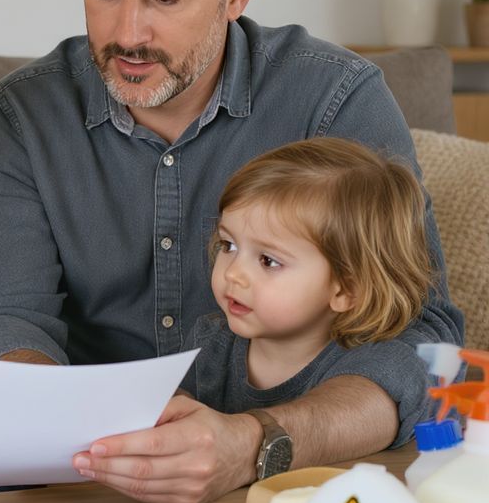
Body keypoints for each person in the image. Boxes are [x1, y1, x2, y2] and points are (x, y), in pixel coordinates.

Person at [0, 0, 463, 503]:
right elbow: (9, 323)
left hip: (288, 475)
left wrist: (258, 441)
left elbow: (422, 332)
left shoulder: (336, 98)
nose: (128, 32)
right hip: (88, 480)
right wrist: (72, 436)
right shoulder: (21, 115)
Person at [180, 138, 432, 412]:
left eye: (268, 261)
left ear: (346, 291)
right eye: (229, 245)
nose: (233, 273)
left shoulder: (367, 370)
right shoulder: (208, 343)